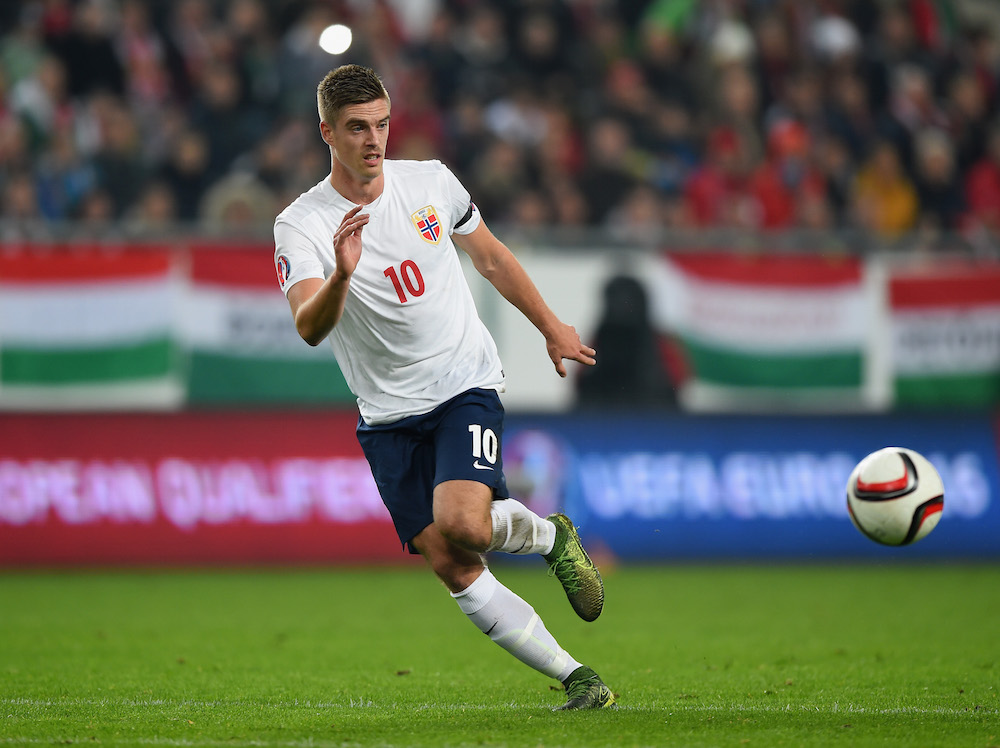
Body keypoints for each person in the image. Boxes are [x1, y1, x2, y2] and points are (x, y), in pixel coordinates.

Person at [273, 64, 614, 711]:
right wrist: (342, 275)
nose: (373, 140)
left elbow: (489, 255)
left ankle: (550, 539)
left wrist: (550, 326)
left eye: (380, 124)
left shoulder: (429, 182)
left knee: (465, 523)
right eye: (355, 129)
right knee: (453, 563)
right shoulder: (304, 224)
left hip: (463, 382)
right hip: (385, 415)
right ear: (326, 132)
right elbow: (309, 325)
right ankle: (579, 679)